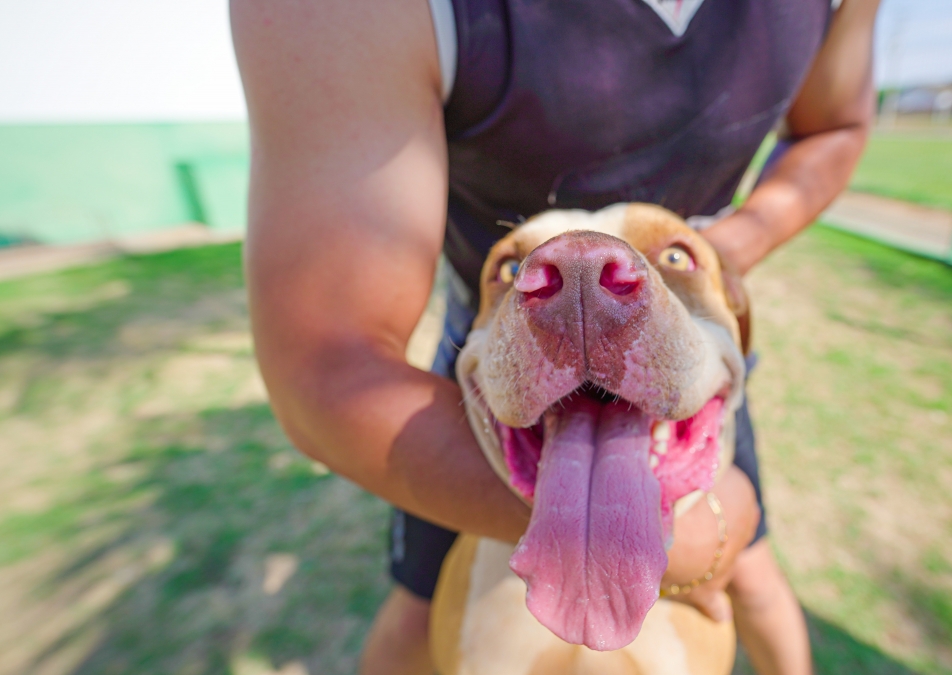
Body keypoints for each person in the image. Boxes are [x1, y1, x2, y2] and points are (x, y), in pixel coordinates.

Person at [232, 0, 880, 673]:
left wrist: (725, 249)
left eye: (672, 256)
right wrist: (689, 539)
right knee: (418, 610)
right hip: (518, 357)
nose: (590, 280)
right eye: (516, 268)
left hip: (683, 337)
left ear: (739, 315)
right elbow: (327, 364)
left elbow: (835, 124)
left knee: (757, 581)